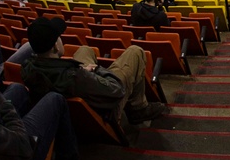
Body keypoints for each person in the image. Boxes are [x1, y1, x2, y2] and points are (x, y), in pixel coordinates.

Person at [20, 16, 167, 126]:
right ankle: (138, 108)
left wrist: (84, 71)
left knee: (84, 50)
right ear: (55, 47)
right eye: (59, 37)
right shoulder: (75, 77)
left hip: (77, 89)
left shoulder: (29, 68)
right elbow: (117, 90)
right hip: (105, 107)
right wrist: (95, 70)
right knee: (136, 51)